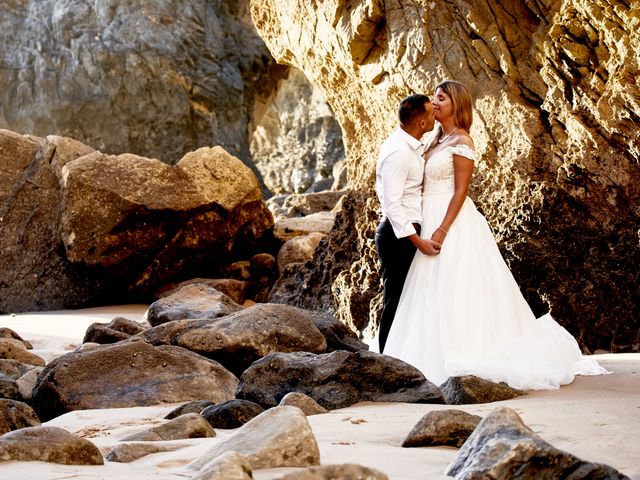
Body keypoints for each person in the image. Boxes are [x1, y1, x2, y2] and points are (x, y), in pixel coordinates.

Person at [382, 80, 608, 390]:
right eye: (434, 98)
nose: (435, 102)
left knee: (461, 285)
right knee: (427, 289)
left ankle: (465, 350)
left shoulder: (462, 141)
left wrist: (443, 228)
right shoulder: (433, 139)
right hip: (425, 215)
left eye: (441, 98)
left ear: (456, 105)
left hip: (450, 220)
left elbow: (461, 190)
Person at [374, 94, 441, 353]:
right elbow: (392, 204)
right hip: (397, 236)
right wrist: (417, 241)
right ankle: (385, 357)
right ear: (423, 123)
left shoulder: (410, 144)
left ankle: (403, 354)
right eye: (431, 114)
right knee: (396, 298)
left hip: (405, 232)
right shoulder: (398, 153)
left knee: (408, 298)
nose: (435, 115)